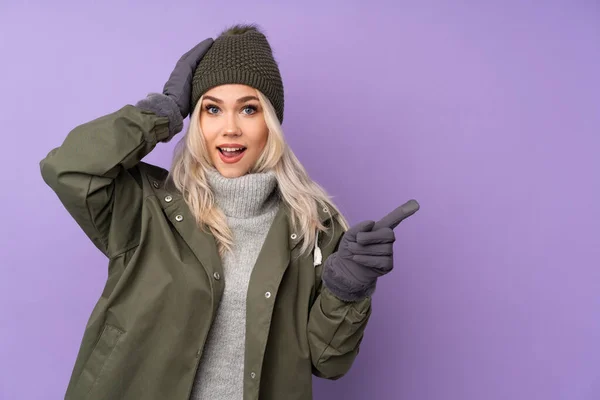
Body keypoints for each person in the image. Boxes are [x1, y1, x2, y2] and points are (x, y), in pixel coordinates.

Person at [40, 23, 419, 400]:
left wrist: (347, 291)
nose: (230, 128)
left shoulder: (314, 227)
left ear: (270, 122)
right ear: (196, 120)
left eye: (249, 109)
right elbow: (69, 169)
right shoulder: (147, 206)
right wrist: (161, 113)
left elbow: (328, 362)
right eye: (212, 109)